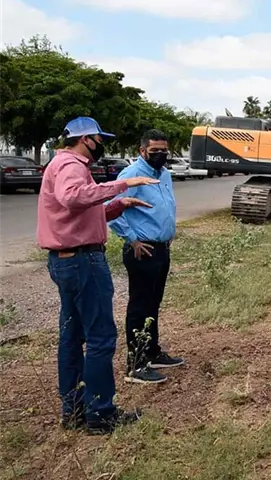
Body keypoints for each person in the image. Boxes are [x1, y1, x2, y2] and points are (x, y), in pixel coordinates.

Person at [36, 116, 159, 435]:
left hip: (68, 260)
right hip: (83, 262)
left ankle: (75, 410)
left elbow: (76, 211)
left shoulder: (61, 164)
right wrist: (123, 184)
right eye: (100, 140)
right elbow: (73, 198)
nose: (102, 146)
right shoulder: (72, 165)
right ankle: (100, 412)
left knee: (72, 337)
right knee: (101, 338)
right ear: (86, 139)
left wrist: (117, 205)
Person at [108, 129, 183, 384]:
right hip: (143, 250)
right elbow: (111, 211)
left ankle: (152, 352)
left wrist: (167, 232)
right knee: (140, 306)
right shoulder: (131, 176)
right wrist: (132, 239)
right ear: (142, 151)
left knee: (153, 304)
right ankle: (136, 364)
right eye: (155, 151)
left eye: (164, 151)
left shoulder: (164, 174)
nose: (160, 155)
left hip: (161, 248)